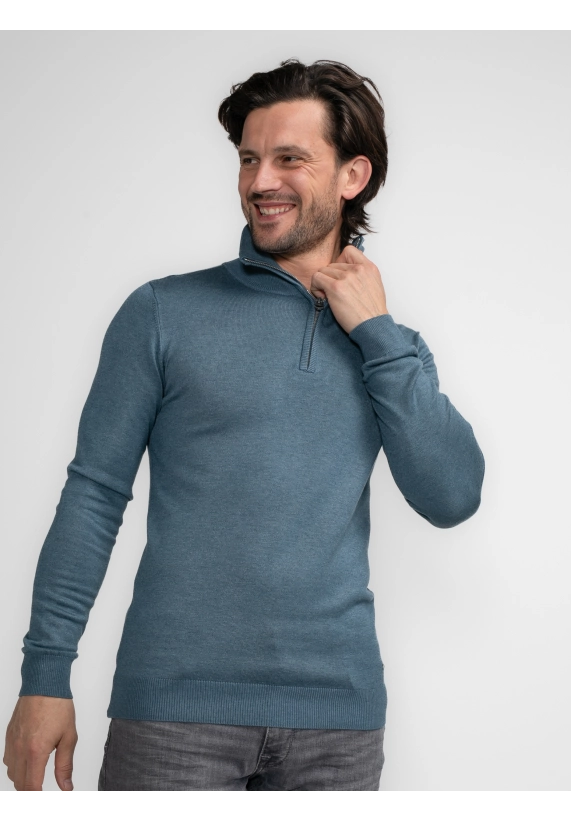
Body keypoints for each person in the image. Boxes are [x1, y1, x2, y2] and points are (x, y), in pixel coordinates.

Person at [3, 58, 485, 792]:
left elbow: (452, 496)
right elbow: (93, 496)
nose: (261, 181)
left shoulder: (392, 347)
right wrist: (45, 674)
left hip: (338, 726)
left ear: (352, 176)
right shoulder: (162, 313)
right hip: (173, 718)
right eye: (249, 159)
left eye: (290, 159)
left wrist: (377, 334)